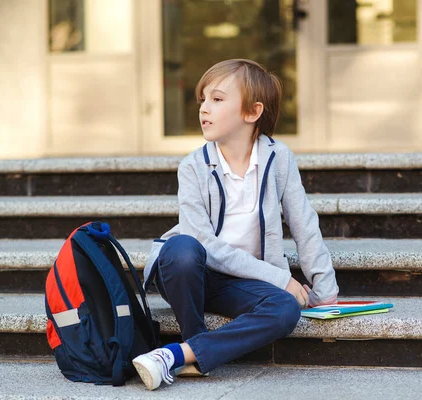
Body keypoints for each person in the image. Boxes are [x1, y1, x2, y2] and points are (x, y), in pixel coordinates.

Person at [132, 59, 339, 390]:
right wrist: (280, 278)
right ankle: (195, 340)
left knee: (285, 309)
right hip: (188, 274)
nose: (204, 108)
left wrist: (325, 290)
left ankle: (178, 355)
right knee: (184, 247)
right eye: (202, 99)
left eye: (216, 99)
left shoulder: (278, 158)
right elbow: (204, 244)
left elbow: (304, 224)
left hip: (238, 282)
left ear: (252, 112)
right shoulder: (192, 167)